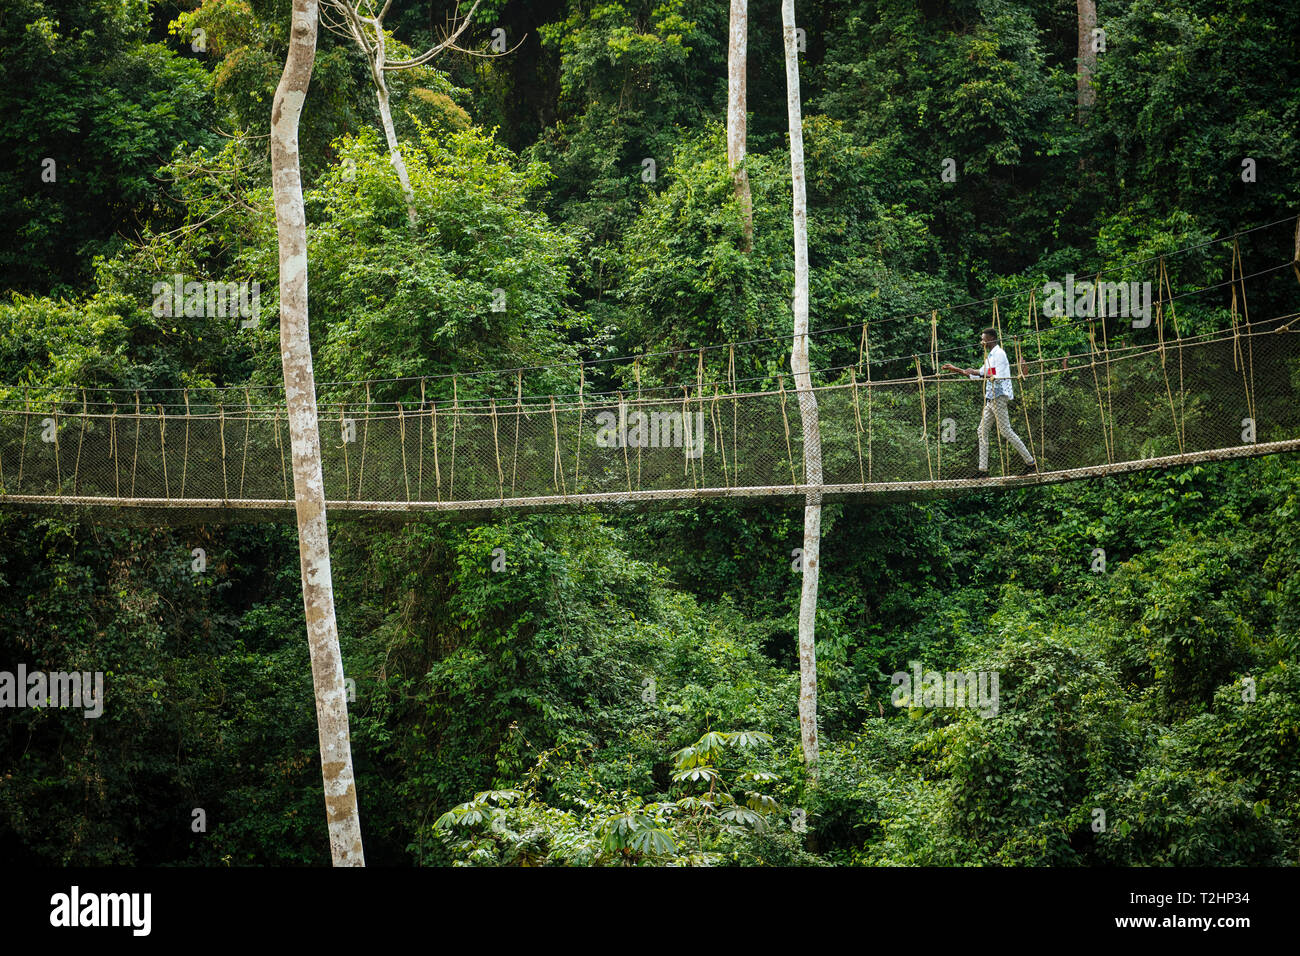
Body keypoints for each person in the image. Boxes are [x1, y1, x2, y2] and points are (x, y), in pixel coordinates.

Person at [943, 328, 1037, 475]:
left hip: (998, 396)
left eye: (984, 338)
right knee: (982, 431)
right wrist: (957, 370)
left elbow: (996, 374)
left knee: (1006, 431)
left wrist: (977, 371)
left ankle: (1030, 463)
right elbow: (979, 374)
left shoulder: (999, 354)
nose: (982, 341)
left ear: (991, 338)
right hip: (990, 398)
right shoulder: (990, 356)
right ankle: (983, 469)